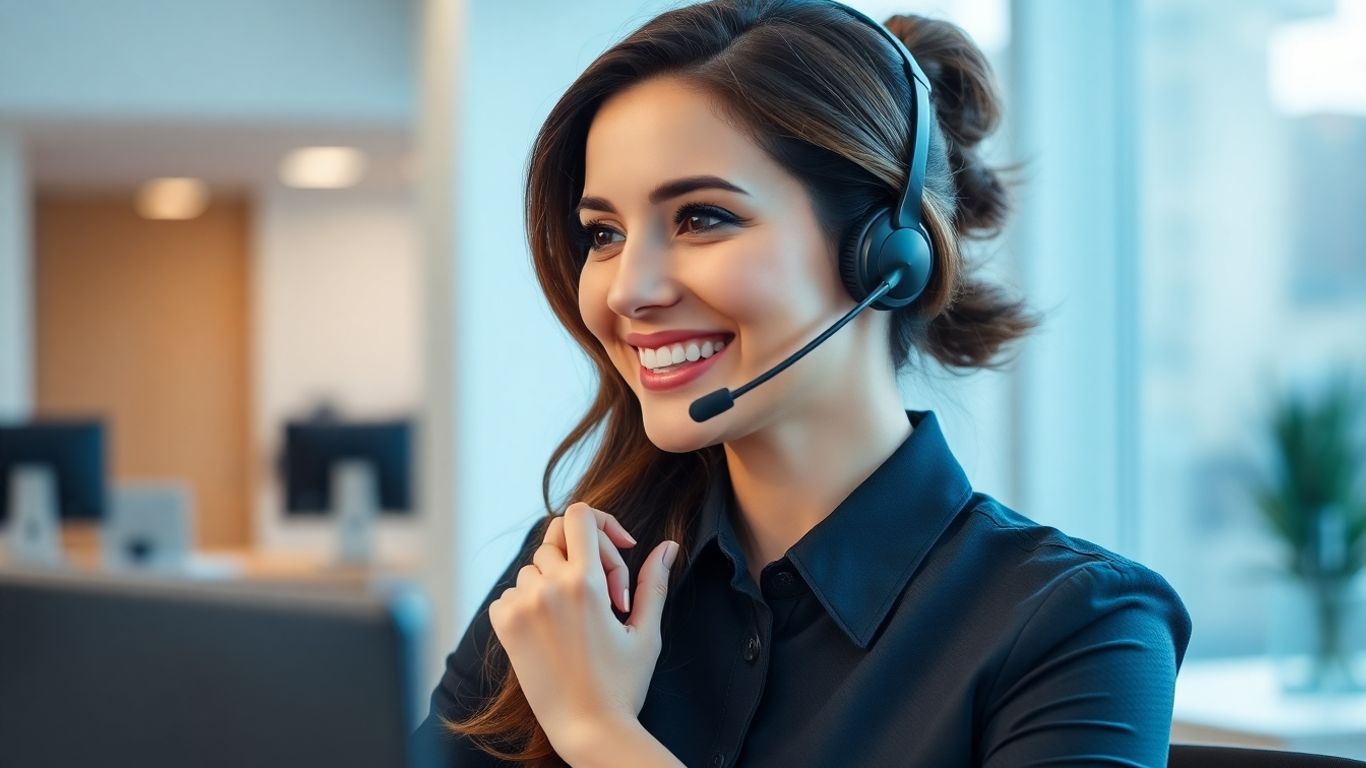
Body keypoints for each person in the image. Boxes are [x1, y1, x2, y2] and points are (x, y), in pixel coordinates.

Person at [411, 0, 1193, 766]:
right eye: (604, 234)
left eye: (701, 218)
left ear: (887, 255)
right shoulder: (575, 582)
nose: (626, 291)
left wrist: (598, 734)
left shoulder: (1082, 627)